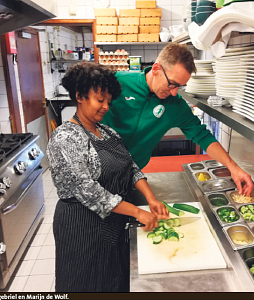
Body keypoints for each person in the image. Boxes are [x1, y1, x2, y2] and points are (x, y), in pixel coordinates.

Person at [46, 62, 169, 292]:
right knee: (84, 283)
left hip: (114, 223)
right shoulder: (65, 137)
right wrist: (136, 211)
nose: (105, 107)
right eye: (99, 100)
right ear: (80, 96)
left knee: (114, 281)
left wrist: (150, 198)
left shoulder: (107, 131)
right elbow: (88, 190)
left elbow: (130, 166)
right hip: (81, 228)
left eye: (108, 101)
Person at [102, 43, 254, 197]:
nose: (174, 93)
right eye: (172, 84)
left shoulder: (175, 106)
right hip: (95, 172)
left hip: (131, 177)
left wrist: (233, 167)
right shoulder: (118, 83)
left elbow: (202, 136)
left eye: (179, 87)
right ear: (156, 69)